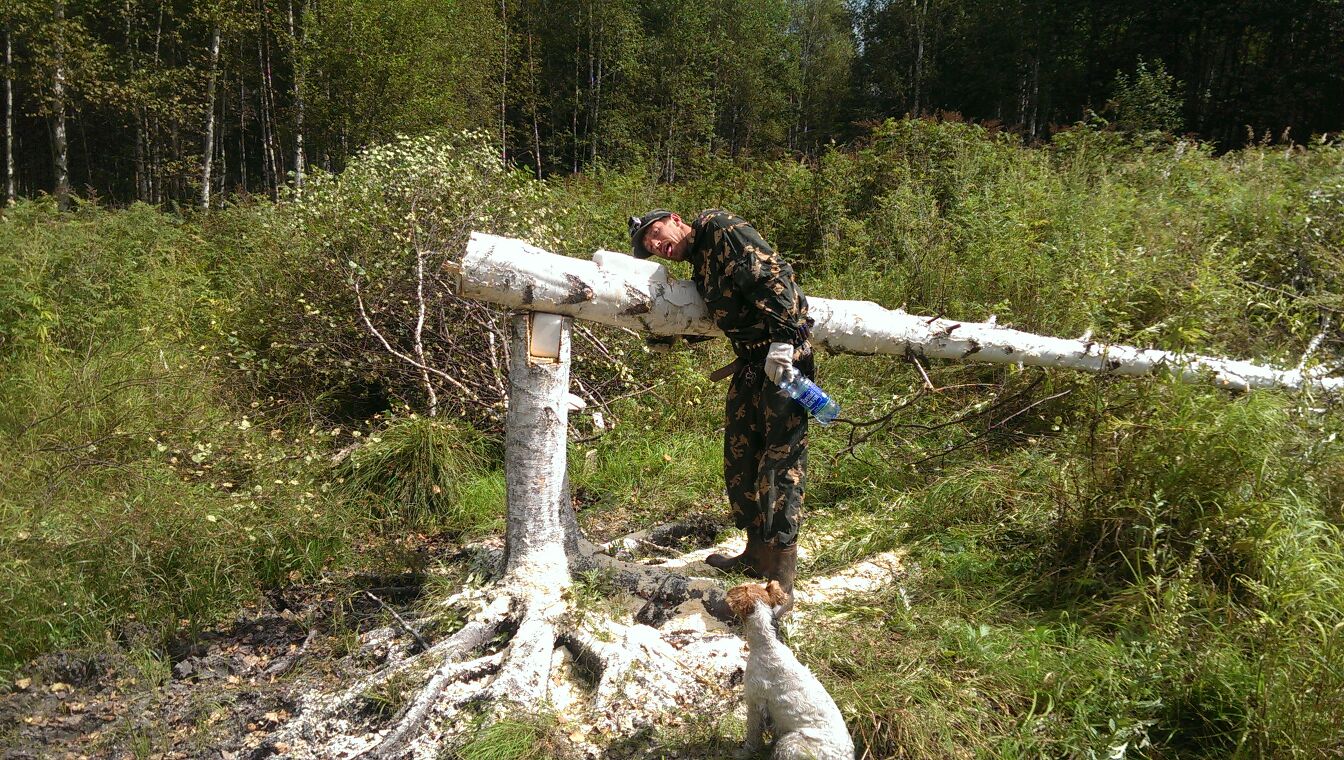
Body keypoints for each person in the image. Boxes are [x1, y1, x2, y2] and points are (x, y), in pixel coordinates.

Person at [628, 208, 814, 608]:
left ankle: (781, 577)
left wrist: (784, 340)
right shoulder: (700, 261)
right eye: (652, 247)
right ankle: (755, 553)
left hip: (784, 359)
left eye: (657, 234)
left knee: (781, 461)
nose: (660, 246)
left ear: (676, 220)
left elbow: (773, 277)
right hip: (751, 364)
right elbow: (723, 311)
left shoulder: (719, 228)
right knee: (741, 456)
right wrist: (664, 331)